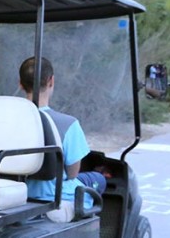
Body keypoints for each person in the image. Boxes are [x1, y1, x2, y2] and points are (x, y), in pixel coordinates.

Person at [18, 56, 107, 223]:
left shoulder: (7, 121)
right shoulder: (68, 124)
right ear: (51, 81)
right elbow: (72, 173)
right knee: (99, 179)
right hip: (55, 198)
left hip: (19, 193)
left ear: (20, 84)